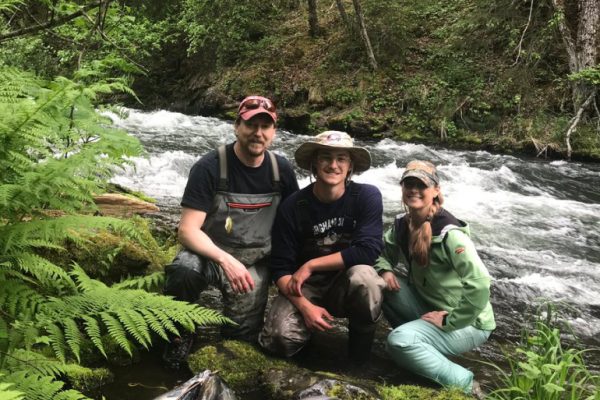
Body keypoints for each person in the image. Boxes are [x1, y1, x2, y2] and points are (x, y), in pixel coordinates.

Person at [162, 95, 299, 369]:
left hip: (257, 261)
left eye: (265, 126)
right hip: (210, 256)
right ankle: (177, 334)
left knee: (240, 343)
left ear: (273, 132)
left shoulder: (281, 170)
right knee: (184, 270)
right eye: (251, 125)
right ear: (237, 126)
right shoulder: (209, 167)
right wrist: (226, 260)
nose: (257, 133)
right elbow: (187, 231)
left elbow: (293, 226)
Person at [258, 130, 386, 365]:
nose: (333, 165)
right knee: (277, 338)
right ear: (315, 164)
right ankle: (306, 349)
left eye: (341, 159)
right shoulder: (293, 206)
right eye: (326, 157)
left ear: (350, 166)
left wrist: (311, 264)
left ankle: (359, 361)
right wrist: (305, 307)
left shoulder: (367, 196)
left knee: (367, 278)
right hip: (305, 287)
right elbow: (280, 269)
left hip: (346, 282)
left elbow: (369, 250)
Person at [374, 160, 495, 397]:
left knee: (398, 342)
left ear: (436, 190)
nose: (414, 190)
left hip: (470, 322)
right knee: (378, 283)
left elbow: (480, 283)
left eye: (422, 185)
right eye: (409, 183)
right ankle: (422, 350)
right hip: (430, 306)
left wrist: (451, 320)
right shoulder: (401, 225)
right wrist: (386, 270)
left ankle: (465, 383)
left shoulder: (451, 235)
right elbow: (379, 255)